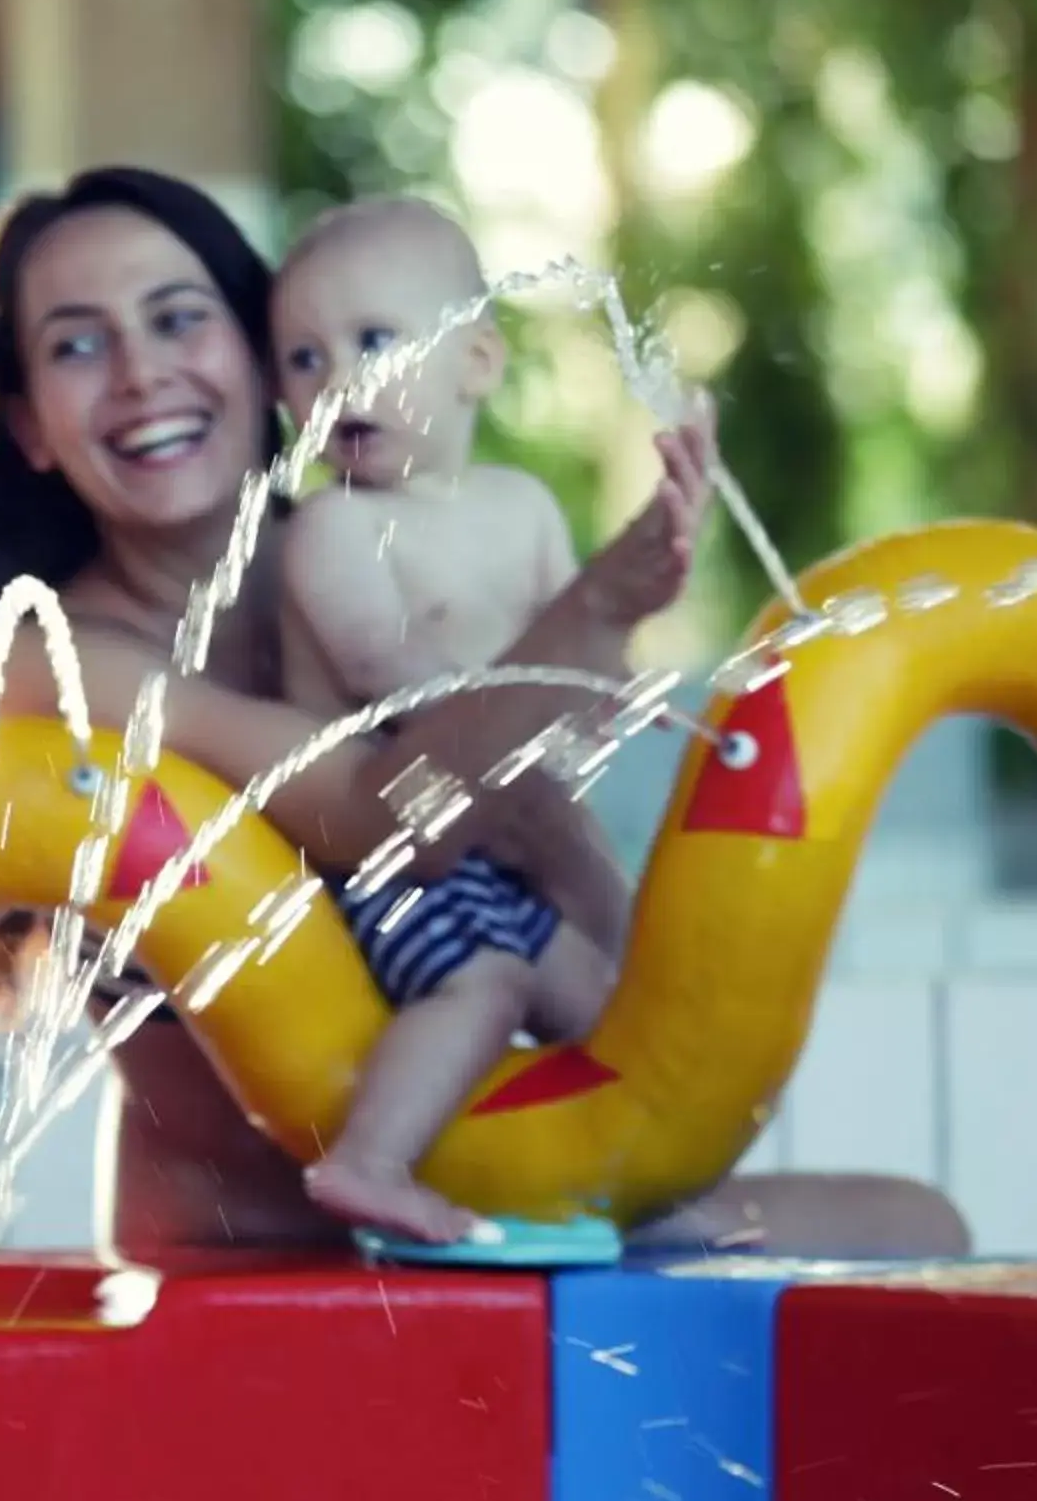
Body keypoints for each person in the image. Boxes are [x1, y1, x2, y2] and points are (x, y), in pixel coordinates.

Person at [0, 164, 971, 1266]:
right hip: (240, 1259)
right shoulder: (55, 662)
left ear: (254, 355)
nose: (141, 372)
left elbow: (546, 833)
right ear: (30, 425)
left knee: (919, 1230)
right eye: (77, 345)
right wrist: (595, 608)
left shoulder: (370, 541)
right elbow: (389, 819)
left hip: (469, 1209)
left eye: (180, 319)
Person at [269, 195, 711, 1246]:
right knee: (485, 979)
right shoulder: (334, 527)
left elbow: (581, 641)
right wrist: (530, 699)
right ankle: (369, 1162)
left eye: (373, 340)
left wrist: (620, 690)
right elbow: (392, 674)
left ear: (476, 361)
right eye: (300, 358)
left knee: (606, 1005)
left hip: (500, 850)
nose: (335, 379)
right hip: (391, 857)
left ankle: (639, 1198)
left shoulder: (524, 507)